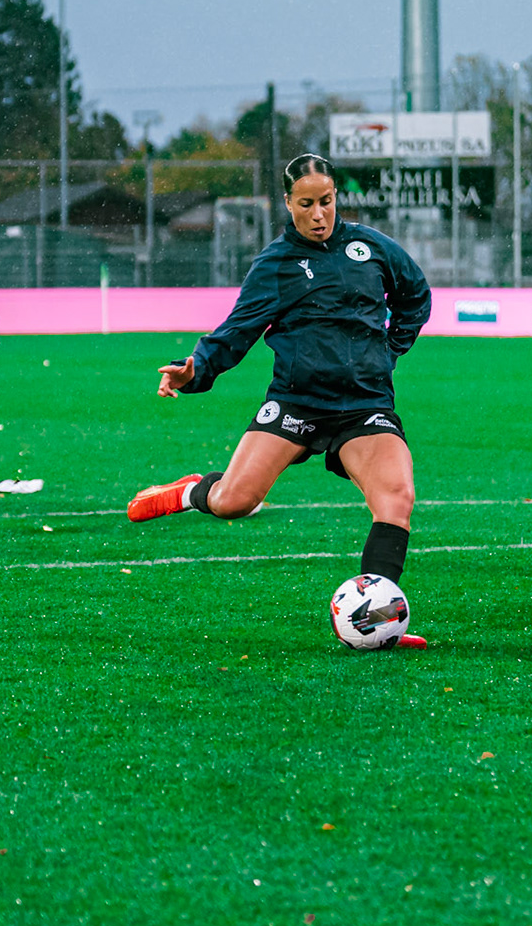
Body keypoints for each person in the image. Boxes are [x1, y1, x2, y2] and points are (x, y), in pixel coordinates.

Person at [127, 154, 433, 640]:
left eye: (327, 202)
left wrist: (389, 351)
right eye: (306, 204)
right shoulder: (275, 264)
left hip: (366, 404)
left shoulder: (372, 247)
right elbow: (237, 330)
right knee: (233, 501)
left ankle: (377, 618)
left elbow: (416, 294)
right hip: (298, 401)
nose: (319, 214)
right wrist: (195, 369)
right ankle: (190, 491)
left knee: (397, 498)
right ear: (287, 203)